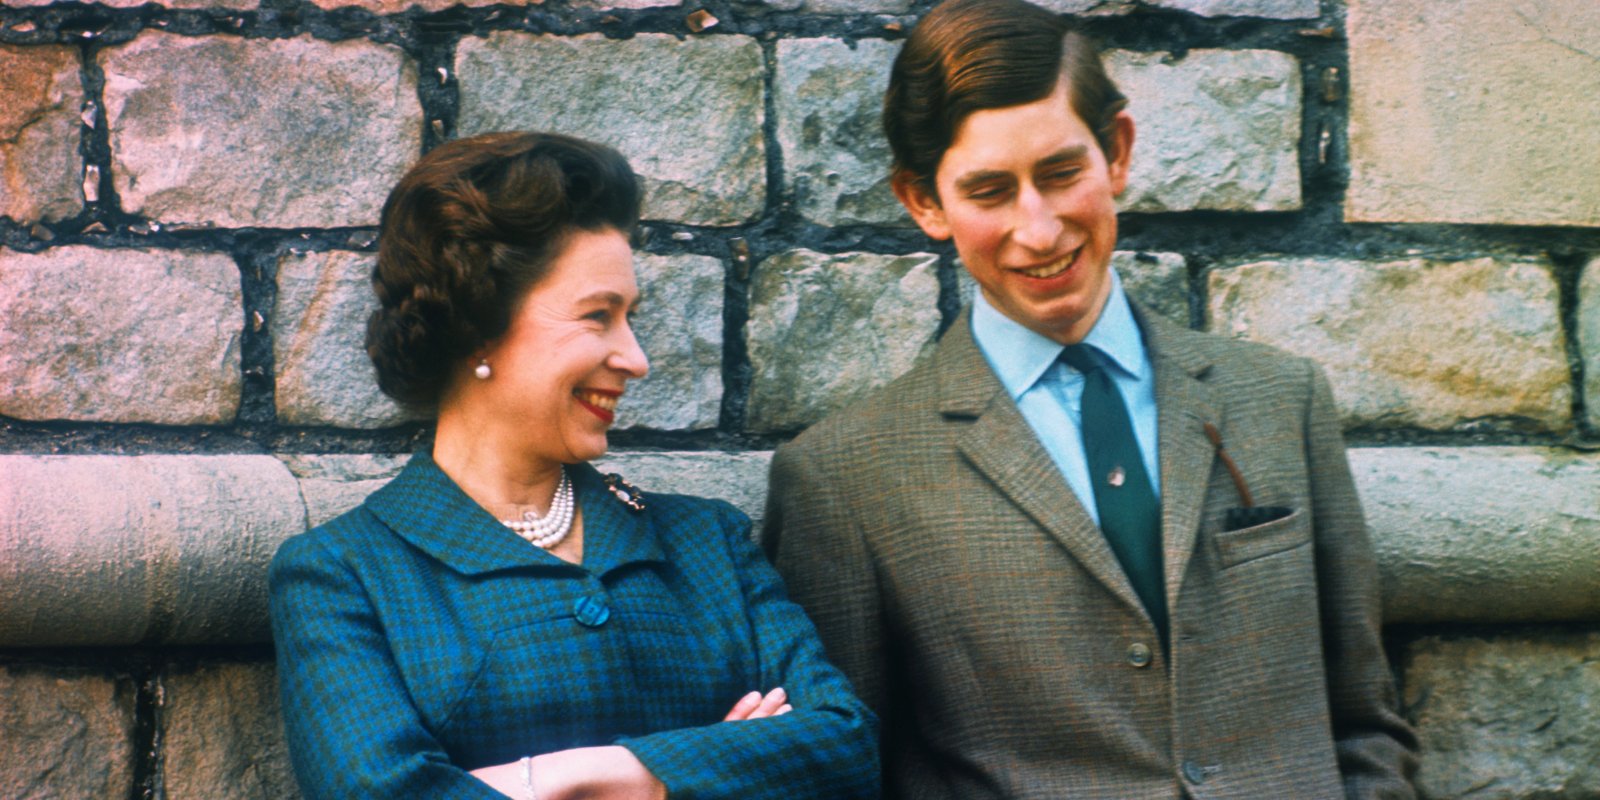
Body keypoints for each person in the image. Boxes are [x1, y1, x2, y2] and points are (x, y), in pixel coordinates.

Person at [762, 0, 1419, 796]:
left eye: (1061, 173)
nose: (1038, 230)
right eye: (990, 191)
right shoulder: (844, 480)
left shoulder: (1282, 398)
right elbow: (844, 770)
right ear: (924, 202)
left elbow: (1364, 719)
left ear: (1117, 152)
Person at [269, 131, 877, 800]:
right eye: (598, 316)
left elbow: (844, 749)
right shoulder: (343, 576)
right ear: (480, 323)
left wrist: (574, 779)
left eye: (631, 317)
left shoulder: (711, 543)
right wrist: (724, 763)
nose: (637, 358)